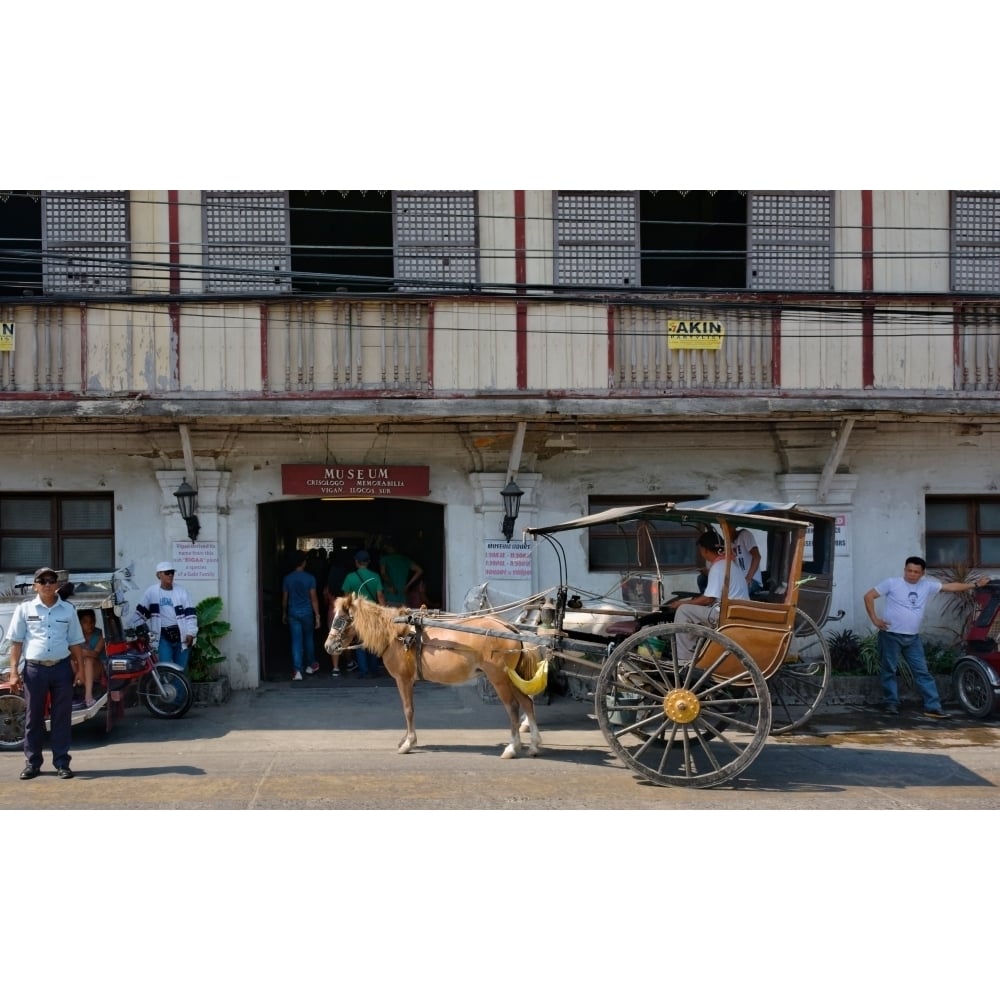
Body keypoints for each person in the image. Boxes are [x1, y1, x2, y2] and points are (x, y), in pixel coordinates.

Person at [864, 556, 990, 719]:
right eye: (909, 570)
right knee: (889, 670)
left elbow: (951, 587)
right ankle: (891, 703)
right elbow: (868, 596)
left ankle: (933, 706)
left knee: (922, 672)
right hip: (890, 635)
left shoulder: (927, 586)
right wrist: (874, 619)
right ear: (904, 570)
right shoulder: (892, 583)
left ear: (922, 573)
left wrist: (974, 584)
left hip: (913, 638)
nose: (912, 574)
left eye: (916, 572)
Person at [7, 567, 86, 780]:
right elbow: (16, 642)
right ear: (35, 586)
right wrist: (14, 672)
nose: (47, 584)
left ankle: (62, 762)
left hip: (61, 669)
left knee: (62, 717)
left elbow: (76, 642)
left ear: (57, 585)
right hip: (34, 669)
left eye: (51, 580)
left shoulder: (68, 610)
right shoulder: (25, 609)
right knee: (34, 717)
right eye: (42, 580)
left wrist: (79, 670)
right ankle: (32, 763)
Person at [667, 531, 750, 661]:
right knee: (689, 607)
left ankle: (683, 659)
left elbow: (708, 599)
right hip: (736, 612)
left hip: (725, 615)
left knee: (683, 611)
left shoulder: (718, 567)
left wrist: (682, 603)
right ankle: (696, 651)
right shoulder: (729, 564)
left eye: (701, 550)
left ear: (705, 550)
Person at [135, 561, 198, 669]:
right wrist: (132, 626)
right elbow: (141, 612)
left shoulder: (182, 591)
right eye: (167, 572)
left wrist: (191, 633)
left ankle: (178, 686)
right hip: (163, 636)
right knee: (166, 667)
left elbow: (190, 613)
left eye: (172, 572)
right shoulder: (151, 592)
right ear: (159, 574)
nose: (170, 575)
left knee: (180, 669)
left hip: (181, 635)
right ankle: (166, 686)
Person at [333, 550, 386, 678]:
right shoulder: (376, 576)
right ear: (368, 562)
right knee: (373, 642)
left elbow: (346, 599)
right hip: (373, 614)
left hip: (358, 614)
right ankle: (374, 669)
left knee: (359, 643)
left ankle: (364, 671)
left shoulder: (349, 577)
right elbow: (380, 597)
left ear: (356, 562)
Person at [282, 550, 321, 682]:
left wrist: (284, 612)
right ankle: (311, 665)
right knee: (308, 639)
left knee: (296, 641)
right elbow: (314, 599)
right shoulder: (310, 578)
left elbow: (285, 599)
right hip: (307, 613)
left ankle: (297, 671)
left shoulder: (287, 578)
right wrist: (317, 615)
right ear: (304, 563)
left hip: (293, 613)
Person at [75, 608, 107, 708]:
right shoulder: (76, 635)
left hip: (98, 667)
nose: (90, 625)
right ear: (79, 623)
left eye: (92, 621)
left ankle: (88, 696)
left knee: (89, 660)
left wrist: (82, 652)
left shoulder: (100, 634)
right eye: (85, 622)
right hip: (80, 668)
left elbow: (95, 654)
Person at [379, 539, 424, 606]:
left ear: (387, 547)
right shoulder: (405, 560)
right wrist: (407, 586)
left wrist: (391, 585)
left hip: (389, 596)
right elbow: (420, 570)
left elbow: (383, 573)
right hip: (403, 598)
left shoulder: (385, 559)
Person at [732, 528, 764, 596]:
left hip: (753, 581)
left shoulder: (744, 534)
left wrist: (748, 578)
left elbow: (757, 557)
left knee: (735, 596)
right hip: (741, 581)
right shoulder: (732, 542)